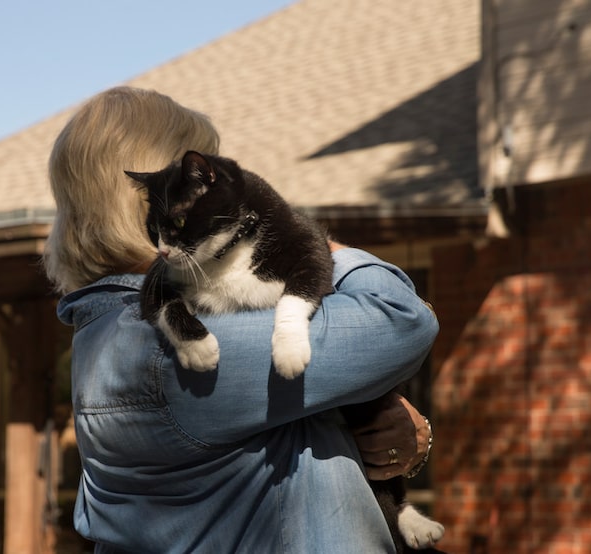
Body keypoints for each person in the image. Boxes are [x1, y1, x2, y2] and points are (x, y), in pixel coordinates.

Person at [43, 86, 438, 553]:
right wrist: (295, 235)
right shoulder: (176, 344)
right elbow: (402, 318)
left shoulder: (103, 335)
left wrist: (390, 443)